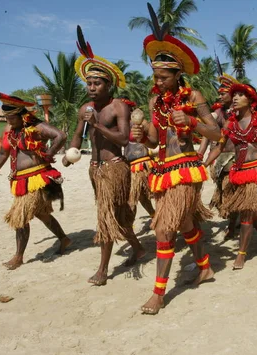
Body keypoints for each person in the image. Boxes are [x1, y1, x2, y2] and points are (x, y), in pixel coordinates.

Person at [131, 5, 221, 314]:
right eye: (155, 76)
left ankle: (158, 294)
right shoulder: (155, 99)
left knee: (164, 230)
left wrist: (192, 121)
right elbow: (157, 139)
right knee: (184, 223)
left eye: (163, 77)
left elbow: (217, 132)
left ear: (177, 73)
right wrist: (143, 135)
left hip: (186, 169)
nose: (158, 82)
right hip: (163, 169)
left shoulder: (194, 97)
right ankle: (205, 267)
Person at [65, 26, 145, 286]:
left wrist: (98, 124)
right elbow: (78, 134)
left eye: (97, 83)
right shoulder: (85, 108)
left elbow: (123, 139)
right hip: (94, 169)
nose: (91, 87)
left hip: (114, 168)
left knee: (106, 216)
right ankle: (140, 249)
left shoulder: (117, 107)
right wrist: (71, 153)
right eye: (88, 83)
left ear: (108, 85)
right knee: (118, 215)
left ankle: (102, 270)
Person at [0, 79, 70, 270]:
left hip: (36, 178)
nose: (8, 121)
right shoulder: (10, 130)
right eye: (6, 118)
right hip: (19, 179)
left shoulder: (36, 127)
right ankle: (64, 239)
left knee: (20, 216)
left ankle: (18, 256)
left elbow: (61, 136)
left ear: (22, 115)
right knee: (42, 214)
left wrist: (49, 154)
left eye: (11, 118)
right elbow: (3, 153)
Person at [204, 83, 257, 269]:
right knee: (250, 210)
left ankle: (241, 255)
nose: (234, 98)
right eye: (234, 95)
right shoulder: (230, 123)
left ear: (251, 100)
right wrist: (203, 163)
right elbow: (219, 147)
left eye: (240, 95)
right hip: (238, 172)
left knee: (246, 213)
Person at [197, 63, 239, 240]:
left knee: (231, 192)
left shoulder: (241, 113)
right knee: (223, 191)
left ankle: (232, 225)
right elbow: (208, 133)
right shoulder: (218, 113)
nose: (219, 95)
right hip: (220, 158)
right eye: (219, 93)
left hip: (236, 158)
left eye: (223, 93)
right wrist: (201, 153)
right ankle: (232, 222)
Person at [122, 97, 156, 219]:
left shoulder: (142, 123)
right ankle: (153, 214)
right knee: (139, 196)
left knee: (134, 197)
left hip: (142, 165)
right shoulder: (121, 124)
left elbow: (153, 137)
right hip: (130, 166)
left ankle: (129, 225)